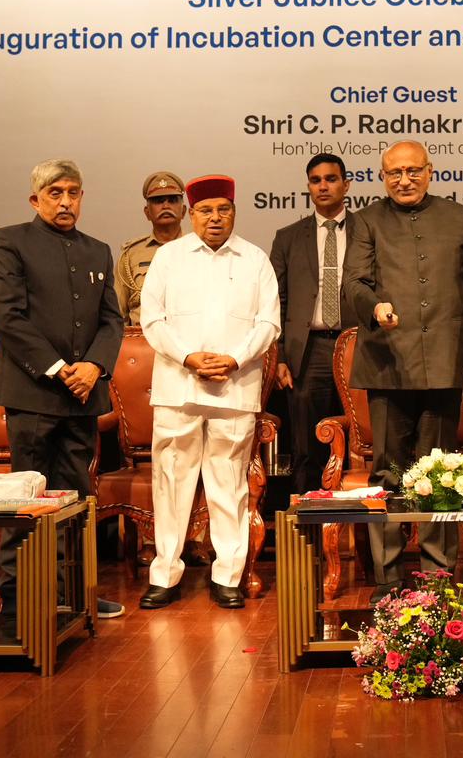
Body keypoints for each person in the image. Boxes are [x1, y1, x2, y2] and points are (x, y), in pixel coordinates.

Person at [343, 140, 463, 603]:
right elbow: (354, 283)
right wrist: (375, 305)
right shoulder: (367, 220)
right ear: (382, 178)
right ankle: (387, 579)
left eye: (412, 171)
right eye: (393, 174)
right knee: (388, 473)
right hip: (388, 362)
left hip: (448, 364)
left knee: (442, 474)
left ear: (430, 171)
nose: (403, 180)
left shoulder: (458, 217)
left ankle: (438, 576)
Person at [0, 159, 125, 619]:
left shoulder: (98, 249)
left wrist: (94, 367)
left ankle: (75, 593)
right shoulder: (10, 241)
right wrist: (61, 368)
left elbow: (111, 321)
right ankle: (18, 591)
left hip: (84, 393)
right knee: (27, 494)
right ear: (36, 199)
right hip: (32, 390)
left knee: (75, 498)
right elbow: (7, 315)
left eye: (74, 192)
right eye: (56, 193)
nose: (66, 202)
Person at [137, 175, 279, 610]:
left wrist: (234, 359)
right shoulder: (169, 258)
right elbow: (152, 320)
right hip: (179, 386)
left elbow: (268, 323)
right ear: (190, 213)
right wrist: (189, 358)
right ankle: (165, 574)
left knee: (228, 483)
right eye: (205, 210)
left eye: (223, 209)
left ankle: (228, 576)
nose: (215, 218)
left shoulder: (255, 259)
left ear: (234, 212)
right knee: (172, 483)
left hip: (234, 387)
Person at [269, 154, 356, 494]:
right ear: (308, 187)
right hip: (309, 350)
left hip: (358, 346)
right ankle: (311, 538)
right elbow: (277, 300)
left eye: (331, 179)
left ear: (345, 184)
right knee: (307, 445)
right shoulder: (288, 237)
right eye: (316, 180)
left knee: (362, 443)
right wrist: (280, 356)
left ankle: (358, 535)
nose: (323, 186)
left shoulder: (369, 230)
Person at [114, 171, 186, 325]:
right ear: (147, 213)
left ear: (184, 211)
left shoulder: (199, 249)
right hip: (143, 341)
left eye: (173, 200)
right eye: (158, 201)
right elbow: (117, 314)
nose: (166, 206)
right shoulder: (130, 255)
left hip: (191, 341)